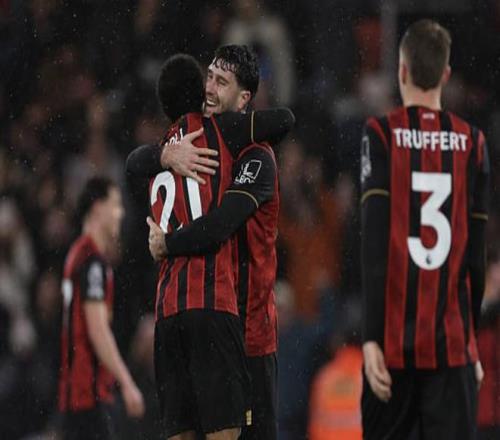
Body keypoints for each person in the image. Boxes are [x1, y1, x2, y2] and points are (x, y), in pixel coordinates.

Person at [126, 53, 294, 440]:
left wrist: (167, 243)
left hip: (240, 332)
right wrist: (164, 154)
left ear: (244, 100)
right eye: (209, 78)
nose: (210, 88)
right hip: (216, 315)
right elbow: (137, 161)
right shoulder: (206, 140)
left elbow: (218, 224)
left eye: (221, 82)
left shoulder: (255, 155)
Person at [360, 19, 489, 440]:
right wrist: (469, 340)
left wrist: (371, 337)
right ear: (446, 75)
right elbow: (476, 256)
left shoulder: (381, 134)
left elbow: (374, 240)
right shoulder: (473, 143)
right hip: (451, 347)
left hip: (394, 346)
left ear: (401, 70)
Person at [58, 177, 145, 440]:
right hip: (88, 394)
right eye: (115, 205)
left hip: (75, 392)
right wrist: (127, 383)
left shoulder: (76, 254)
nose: (120, 213)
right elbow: (97, 330)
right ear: (97, 207)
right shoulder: (92, 262)